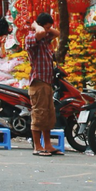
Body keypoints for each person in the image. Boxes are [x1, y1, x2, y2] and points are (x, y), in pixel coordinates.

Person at [24, 13, 61, 156]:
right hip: (38, 82)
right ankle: (37, 146)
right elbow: (39, 32)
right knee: (39, 115)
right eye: (46, 27)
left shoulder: (45, 40)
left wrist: (47, 28)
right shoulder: (31, 38)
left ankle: (48, 145)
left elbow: (57, 32)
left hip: (47, 82)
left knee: (49, 116)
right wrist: (36, 25)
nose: (47, 31)